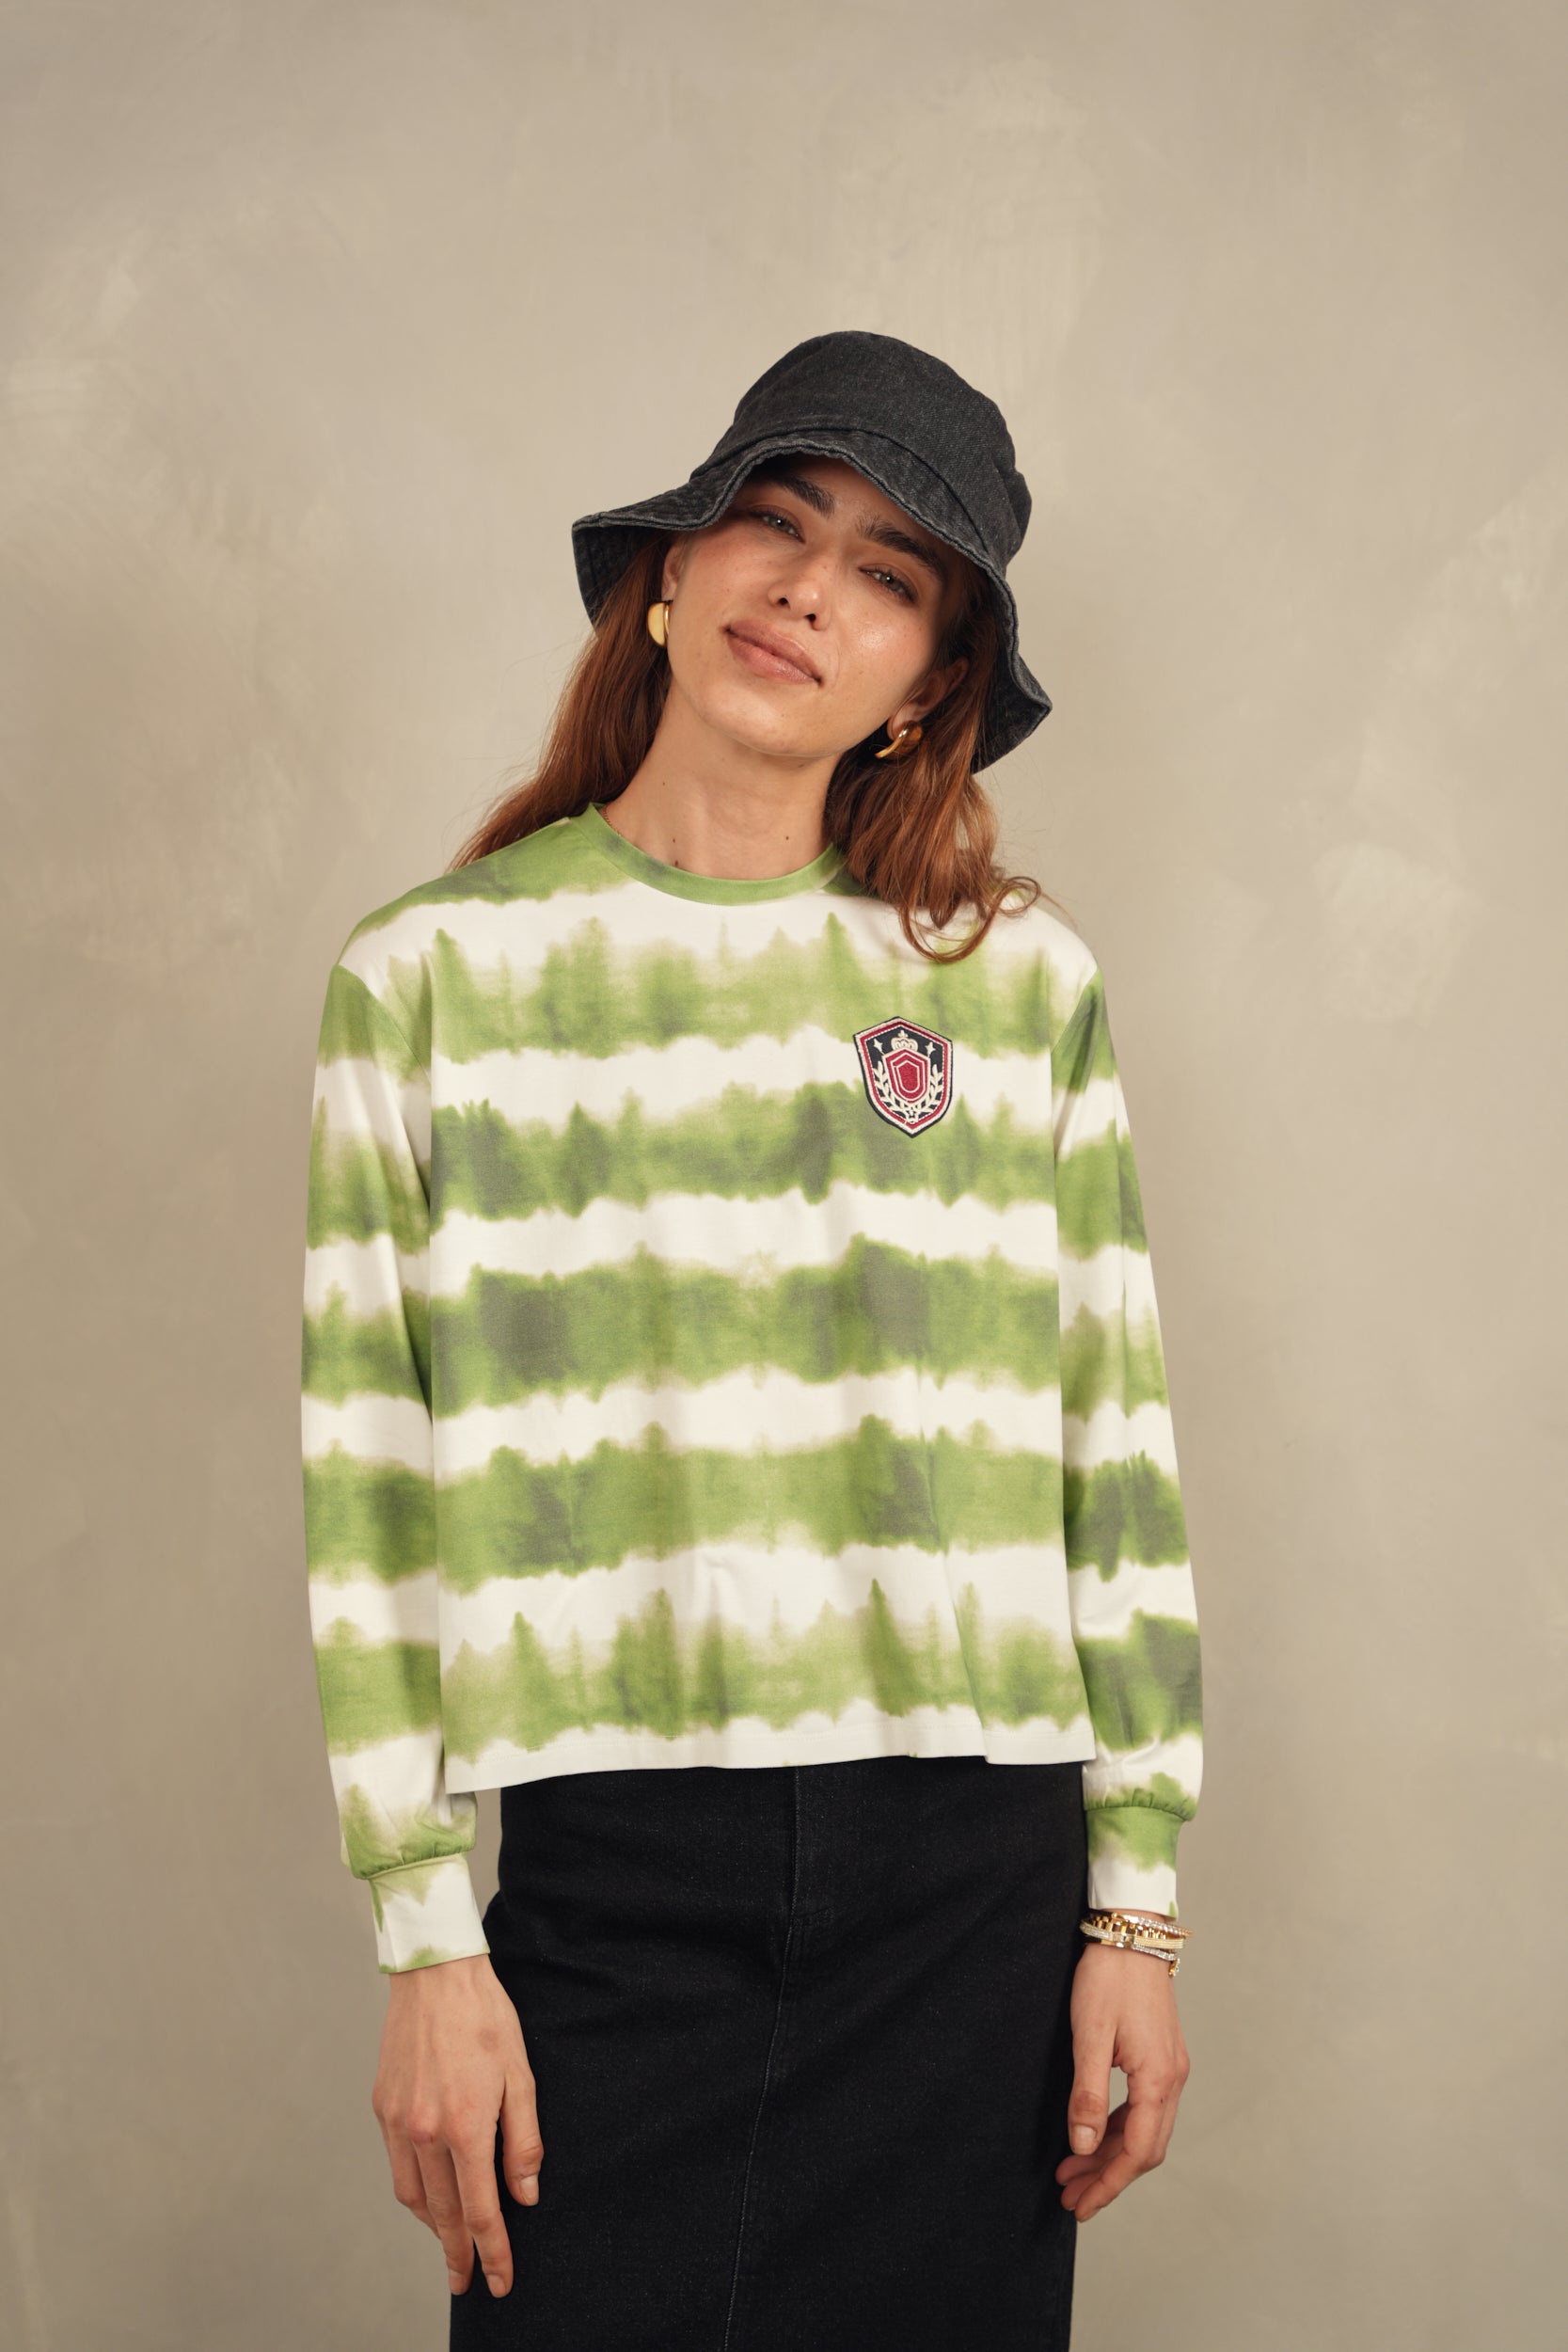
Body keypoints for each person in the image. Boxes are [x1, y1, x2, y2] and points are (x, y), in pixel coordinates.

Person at [299, 328, 1203, 2351]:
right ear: (673, 569)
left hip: (972, 1876)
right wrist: (426, 1936)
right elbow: (373, 1493)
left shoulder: (1014, 985)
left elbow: (1111, 1440)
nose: (807, 592)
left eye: (887, 575)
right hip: (619, 1871)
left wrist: (1134, 1905)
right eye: (775, 524)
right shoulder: (434, 978)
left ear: (929, 683)